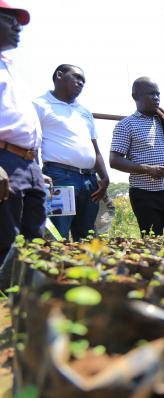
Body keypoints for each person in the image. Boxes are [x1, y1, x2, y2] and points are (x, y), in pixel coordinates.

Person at [33, 64, 110, 241]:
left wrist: (104, 177)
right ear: (59, 75)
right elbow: (32, 142)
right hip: (60, 178)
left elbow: (94, 148)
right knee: (58, 234)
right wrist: (36, 171)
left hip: (90, 182)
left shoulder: (84, 111)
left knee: (87, 236)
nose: (81, 83)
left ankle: (84, 269)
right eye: (77, 77)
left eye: (83, 81)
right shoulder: (39, 105)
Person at [109, 77, 164, 236]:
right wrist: (147, 169)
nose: (156, 98)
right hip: (145, 194)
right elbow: (114, 161)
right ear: (135, 96)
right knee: (153, 243)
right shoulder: (126, 125)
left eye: (158, 94)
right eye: (151, 94)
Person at [0, 2, 49, 271]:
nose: (18, 27)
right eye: (9, 20)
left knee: (34, 242)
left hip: (26, 165)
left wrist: (35, 168)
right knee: (5, 242)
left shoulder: (10, 67)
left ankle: (24, 306)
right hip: (4, 161)